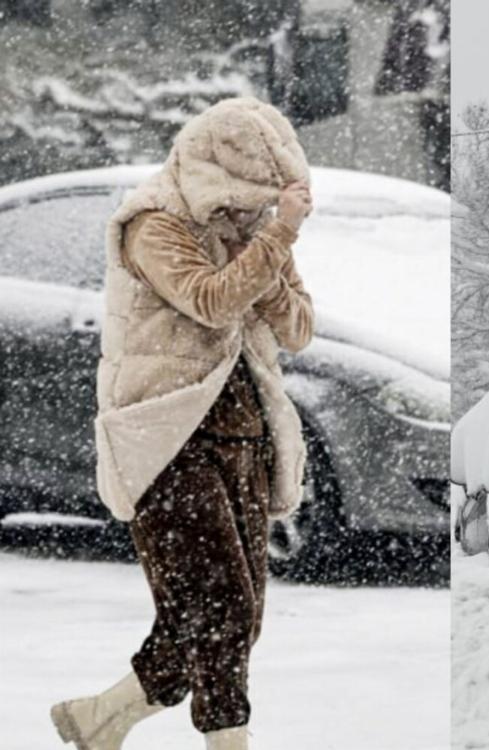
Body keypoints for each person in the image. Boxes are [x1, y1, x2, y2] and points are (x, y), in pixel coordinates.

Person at [50, 97, 315, 750]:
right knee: (218, 611)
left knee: (227, 618)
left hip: (245, 438)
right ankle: (228, 744)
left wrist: (271, 254)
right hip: (166, 441)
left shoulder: (253, 233)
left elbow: (299, 330)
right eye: (241, 202)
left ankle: (98, 718)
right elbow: (211, 301)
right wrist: (275, 239)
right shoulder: (153, 226)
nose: (247, 216)